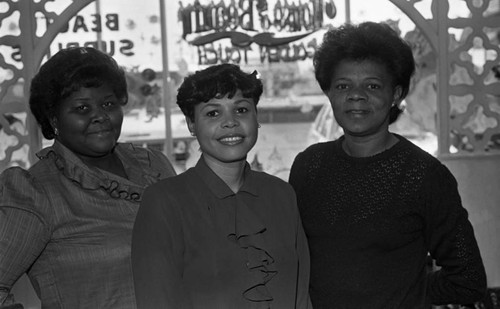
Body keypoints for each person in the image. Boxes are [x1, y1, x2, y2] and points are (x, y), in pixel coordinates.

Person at [289, 22, 487, 308]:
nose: (356, 95)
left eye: (372, 85)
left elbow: (467, 279)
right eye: (343, 85)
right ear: (329, 92)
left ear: (395, 94)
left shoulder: (424, 176)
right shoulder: (309, 166)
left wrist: (404, 294)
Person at [0, 47, 176, 308]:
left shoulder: (153, 165)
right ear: (53, 119)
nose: (100, 116)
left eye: (108, 104)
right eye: (82, 107)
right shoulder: (35, 191)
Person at [131, 63, 312, 309]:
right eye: (213, 113)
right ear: (191, 124)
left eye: (241, 109)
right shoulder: (164, 201)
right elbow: (156, 299)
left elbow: (300, 296)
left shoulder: (281, 194)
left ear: (256, 117)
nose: (230, 122)